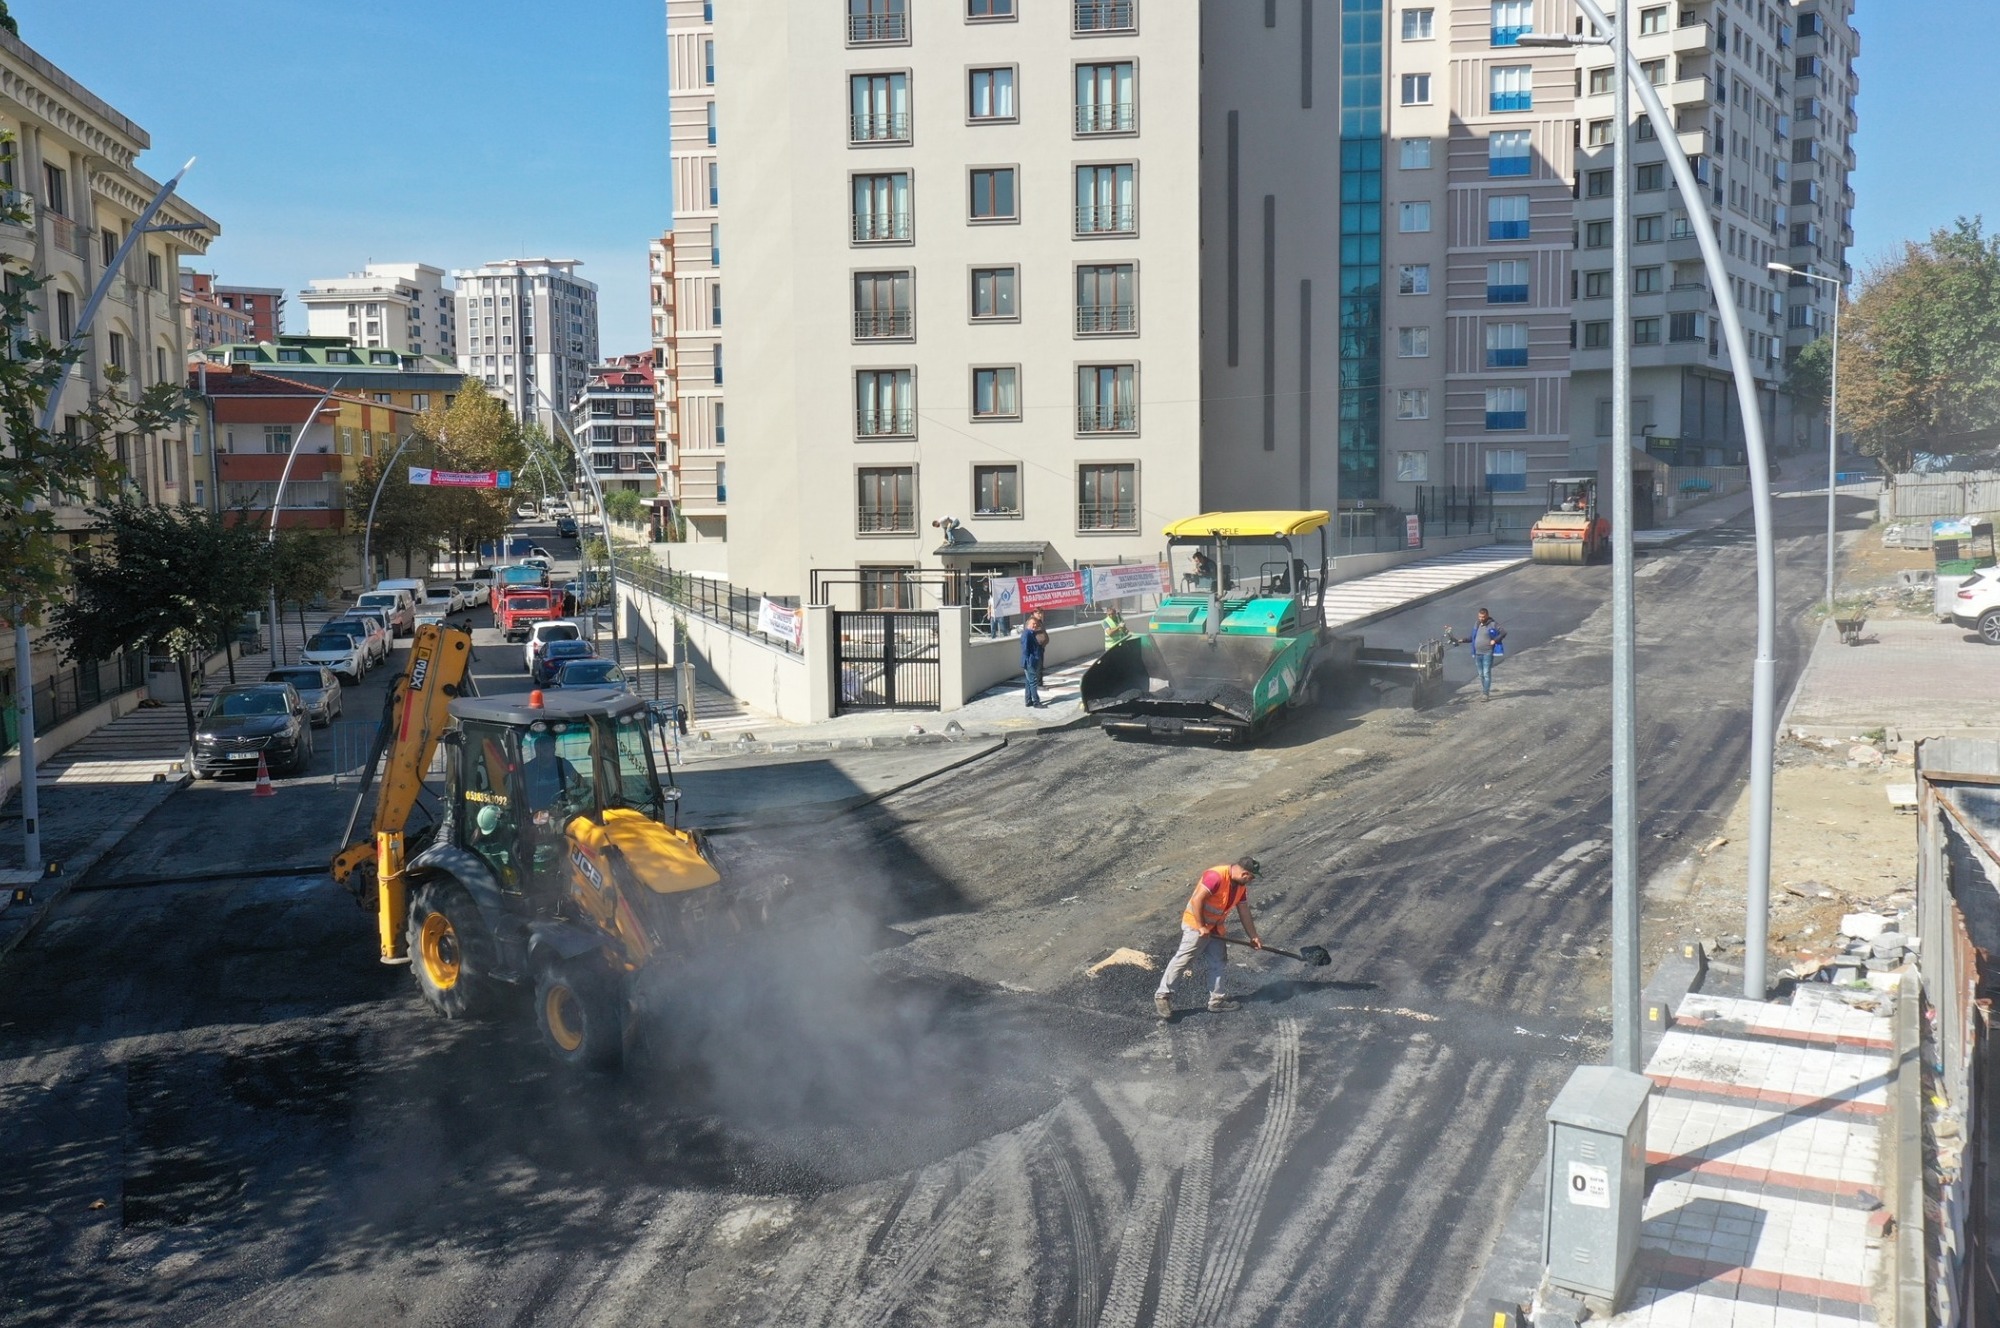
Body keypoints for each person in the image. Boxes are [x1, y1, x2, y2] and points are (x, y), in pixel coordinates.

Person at [1154, 857, 1263, 1017]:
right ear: (1245, 873)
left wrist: (1253, 936)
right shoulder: (1216, 876)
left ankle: (1216, 1001)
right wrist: (1201, 926)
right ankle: (1163, 996)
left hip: (1215, 929)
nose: (1251, 881)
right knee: (1184, 959)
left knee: (1219, 961)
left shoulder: (1240, 887)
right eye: (1251, 877)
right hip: (1196, 925)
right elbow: (1197, 899)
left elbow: (1244, 912)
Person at [1447, 607, 1507, 700]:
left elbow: (1503, 632)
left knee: (1486, 673)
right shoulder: (1477, 624)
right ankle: (1485, 690)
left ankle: (1485, 694)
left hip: (1488, 652)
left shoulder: (1492, 624)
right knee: (1481, 674)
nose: (1481, 618)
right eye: (1480, 616)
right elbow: (1472, 637)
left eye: (1483, 617)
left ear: (1487, 615)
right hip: (1477, 653)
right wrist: (1461, 640)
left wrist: (1495, 640)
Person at [1019, 611, 1049, 707]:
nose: (1035, 626)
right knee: (1033, 682)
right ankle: (1036, 702)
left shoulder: (1031, 633)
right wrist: (1029, 661)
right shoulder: (1027, 634)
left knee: (1028, 682)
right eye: (1033, 624)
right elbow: (1025, 649)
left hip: (1031, 660)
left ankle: (1028, 700)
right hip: (1030, 661)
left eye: (1036, 624)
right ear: (1028, 624)